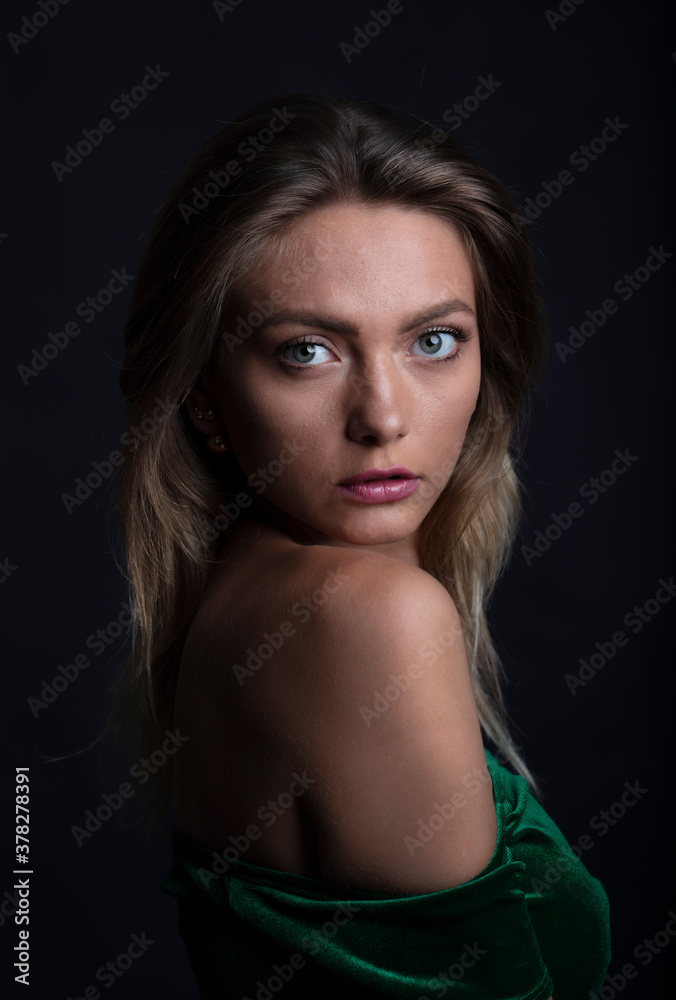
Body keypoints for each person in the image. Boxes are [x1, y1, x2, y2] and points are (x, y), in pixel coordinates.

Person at [114, 92, 611, 998]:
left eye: (433, 340)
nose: (383, 417)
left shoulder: (246, 598)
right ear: (204, 398)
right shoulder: (366, 616)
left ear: (484, 360)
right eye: (307, 351)